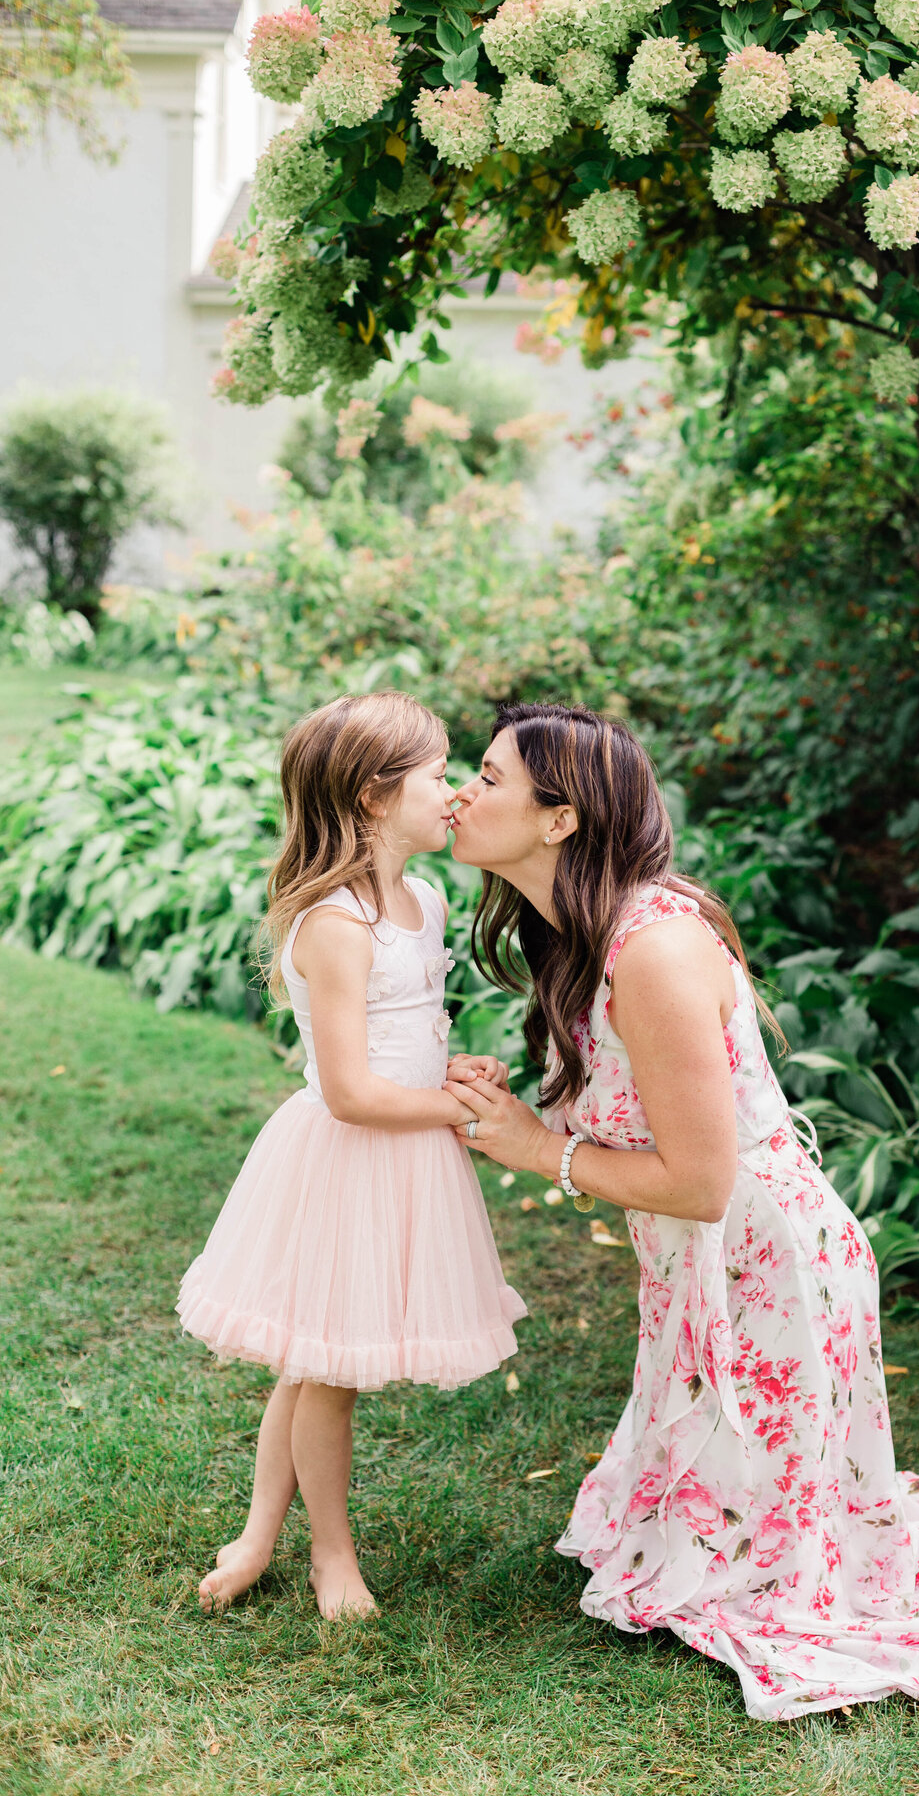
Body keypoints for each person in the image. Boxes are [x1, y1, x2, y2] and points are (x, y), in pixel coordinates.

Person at [444, 700, 919, 1720]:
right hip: (702, 1267)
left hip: (766, 1265)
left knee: (769, 1588)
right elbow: (632, 1107)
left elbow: (700, 1182)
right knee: (690, 1543)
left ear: (561, 820)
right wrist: (518, 1102)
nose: (461, 792)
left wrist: (541, 1152)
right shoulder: (578, 934)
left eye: (487, 777)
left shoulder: (655, 950)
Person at [177, 691, 526, 1619]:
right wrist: (447, 1105)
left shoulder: (426, 900)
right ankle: (331, 1554)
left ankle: (257, 1535)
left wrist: (452, 1069)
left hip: (402, 1150)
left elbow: (404, 1038)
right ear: (376, 798)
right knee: (330, 1372)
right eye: (439, 776)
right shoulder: (336, 923)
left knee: (313, 1362)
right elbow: (350, 1091)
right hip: (350, 1155)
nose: (453, 794)